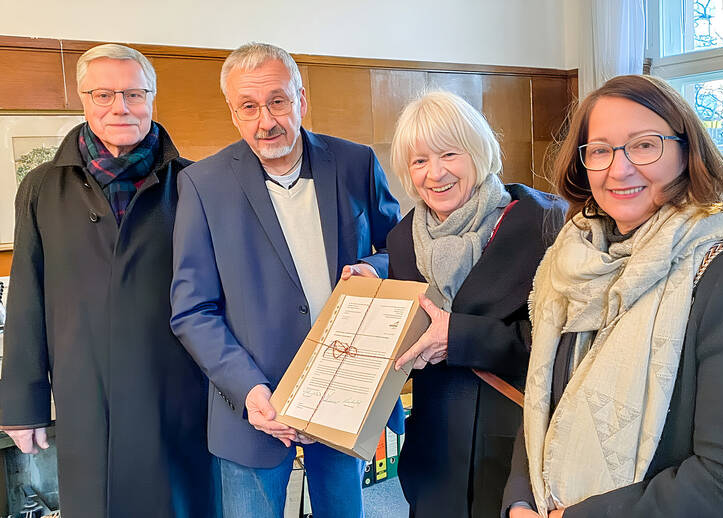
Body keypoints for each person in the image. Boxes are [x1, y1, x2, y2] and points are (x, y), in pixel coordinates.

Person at [503, 74, 723, 518]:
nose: (619, 169)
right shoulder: (568, 263)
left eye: (644, 145)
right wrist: (519, 500)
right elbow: (542, 404)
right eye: (601, 150)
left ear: (687, 151)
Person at [169, 42, 401, 518]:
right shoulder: (202, 185)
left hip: (344, 393)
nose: (265, 121)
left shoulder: (356, 163)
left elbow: (399, 251)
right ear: (233, 112)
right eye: (248, 107)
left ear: (301, 99)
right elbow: (192, 310)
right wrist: (250, 389)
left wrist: (373, 269)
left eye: (277, 101)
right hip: (252, 404)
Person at [0, 44, 219, 518]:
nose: (120, 107)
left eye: (134, 94)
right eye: (104, 94)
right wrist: (22, 403)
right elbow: (26, 300)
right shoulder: (41, 187)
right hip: (85, 392)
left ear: (152, 99)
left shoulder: (195, 183)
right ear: (83, 99)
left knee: (181, 505)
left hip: (176, 389)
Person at [378, 90, 565, 517]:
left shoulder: (542, 223)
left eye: (449, 154)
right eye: (419, 160)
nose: (435, 173)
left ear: (478, 152)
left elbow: (567, 345)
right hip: (434, 454)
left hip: (512, 451)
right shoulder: (402, 241)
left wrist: (461, 337)